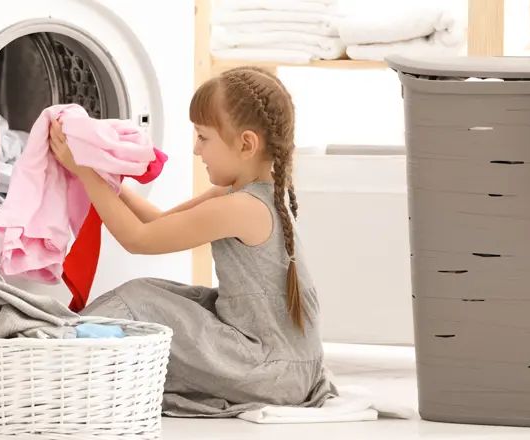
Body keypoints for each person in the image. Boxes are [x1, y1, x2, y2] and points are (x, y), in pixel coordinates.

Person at [48, 66, 337, 417]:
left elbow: (137, 239)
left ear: (246, 144)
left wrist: (84, 171)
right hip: (284, 364)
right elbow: (158, 222)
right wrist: (106, 178)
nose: (197, 149)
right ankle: (69, 344)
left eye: (204, 137)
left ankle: (55, 350)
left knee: (139, 300)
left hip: (270, 369)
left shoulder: (243, 207)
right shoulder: (247, 194)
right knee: (153, 291)